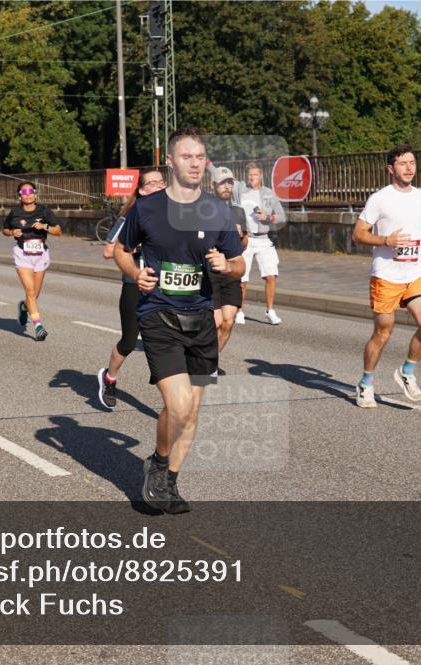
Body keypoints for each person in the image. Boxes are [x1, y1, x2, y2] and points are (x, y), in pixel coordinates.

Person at [114, 127, 244, 514]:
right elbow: (120, 250)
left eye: (200, 157)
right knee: (181, 404)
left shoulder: (218, 210)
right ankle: (157, 461)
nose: (194, 163)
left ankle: (168, 480)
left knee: (191, 411)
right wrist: (136, 274)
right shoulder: (147, 208)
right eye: (186, 157)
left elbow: (237, 263)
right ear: (170, 161)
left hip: (200, 319)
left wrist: (228, 265)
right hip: (159, 317)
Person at [351, 145, 421, 408]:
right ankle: (366, 383)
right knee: (383, 332)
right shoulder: (379, 199)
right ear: (391, 168)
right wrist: (385, 240)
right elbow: (358, 234)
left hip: (414, 272)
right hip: (386, 276)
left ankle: (407, 372)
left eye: (412, 162)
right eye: (403, 163)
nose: (409, 168)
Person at [98, 168, 166, 408]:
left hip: (164, 286)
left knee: (162, 341)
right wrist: (137, 246)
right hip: (134, 284)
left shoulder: (175, 215)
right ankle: (109, 378)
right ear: (142, 190)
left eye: (161, 181)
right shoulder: (130, 217)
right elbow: (108, 251)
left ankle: (174, 399)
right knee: (128, 341)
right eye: (152, 183)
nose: (159, 185)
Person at [208, 161, 286, 325]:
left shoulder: (269, 194)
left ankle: (270, 311)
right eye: (249, 175)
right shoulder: (240, 189)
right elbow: (219, 175)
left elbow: (281, 217)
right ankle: (240, 311)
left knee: (271, 275)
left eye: (255, 174)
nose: (252, 178)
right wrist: (204, 160)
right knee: (242, 277)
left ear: (261, 176)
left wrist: (268, 217)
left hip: (264, 238)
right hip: (246, 238)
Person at [2, 180, 61, 340]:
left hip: (41, 254)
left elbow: (58, 231)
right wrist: (12, 233)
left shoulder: (44, 211)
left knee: (34, 294)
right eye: (24, 192)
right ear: (20, 196)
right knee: (30, 291)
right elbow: (5, 229)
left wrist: (45, 227)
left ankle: (23, 306)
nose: (28, 195)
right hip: (22, 254)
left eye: (30, 192)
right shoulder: (15, 212)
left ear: (35, 194)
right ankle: (38, 326)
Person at [208, 166, 248, 375]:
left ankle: (211, 361)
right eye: (222, 183)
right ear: (213, 185)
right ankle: (202, 361)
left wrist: (240, 238)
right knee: (215, 321)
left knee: (228, 321)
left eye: (230, 183)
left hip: (230, 270)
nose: (227, 187)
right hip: (210, 270)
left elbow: (245, 244)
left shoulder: (238, 211)